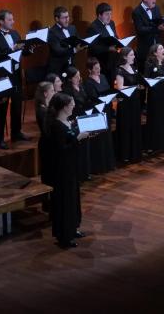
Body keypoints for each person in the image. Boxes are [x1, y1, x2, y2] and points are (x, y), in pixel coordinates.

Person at [45, 92, 89, 248]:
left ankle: (73, 228)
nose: (74, 106)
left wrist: (81, 134)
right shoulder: (57, 126)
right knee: (65, 201)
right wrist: (78, 138)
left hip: (71, 167)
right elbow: (61, 149)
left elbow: (70, 139)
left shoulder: (67, 121)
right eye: (71, 104)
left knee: (73, 198)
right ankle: (64, 236)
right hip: (62, 170)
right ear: (64, 107)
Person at [0, 9, 31, 149]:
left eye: (13, 19)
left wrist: (29, 49)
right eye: (10, 19)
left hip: (16, 74)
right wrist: (13, 49)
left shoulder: (15, 33)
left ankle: (16, 132)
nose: (13, 22)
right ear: (1, 21)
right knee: (2, 107)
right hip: (4, 76)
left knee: (17, 104)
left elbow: (22, 52)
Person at [82, 57, 117, 173]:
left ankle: (108, 163)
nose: (99, 70)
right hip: (97, 112)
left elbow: (107, 90)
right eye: (96, 68)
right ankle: (98, 166)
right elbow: (92, 99)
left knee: (107, 137)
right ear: (89, 70)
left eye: (99, 67)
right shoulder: (88, 83)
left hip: (106, 109)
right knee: (99, 138)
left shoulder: (103, 77)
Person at [143, 44, 164, 152]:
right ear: (155, 53)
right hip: (155, 95)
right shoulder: (149, 63)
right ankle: (154, 144)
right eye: (161, 49)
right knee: (155, 117)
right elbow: (146, 77)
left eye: (163, 48)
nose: (163, 50)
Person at [61, 67, 92, 181]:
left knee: (85, 146)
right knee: (77, 145)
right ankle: (79, 173)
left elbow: (86, 99)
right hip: (74, 119)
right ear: (70, 79)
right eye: (76, 77)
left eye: (79, 76)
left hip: (84, 117)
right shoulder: (67, 90)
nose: (79, 78)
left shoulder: (81, 86)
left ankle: (86, 171)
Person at [113, 47, 143, 163]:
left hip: (135, 100)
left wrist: (140, 85)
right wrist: (134, 87)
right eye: (131, 55)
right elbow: (120, 87)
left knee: (135, 124)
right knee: (126, 125)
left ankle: (134, 153)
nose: (134, 57)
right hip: (125, 102)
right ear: (125, 57)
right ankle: (125, 154)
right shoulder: (120, 70)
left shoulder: (134, 68)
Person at [132, 0, 164, 73]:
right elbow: (140, 29)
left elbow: (159, 22)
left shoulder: (156, 8)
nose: (155, 0)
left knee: (159, 72)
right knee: (146, 74)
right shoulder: (137, 12)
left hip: (157, 47)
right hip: (145, 48)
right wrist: (157, 28)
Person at [87, 2, 120, 81]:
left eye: (110, 14)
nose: (109, 17)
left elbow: (115, 37)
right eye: (107, 14)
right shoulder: (93, 27)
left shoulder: (111, 23)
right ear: (99, 15)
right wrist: (108, 48)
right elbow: (93, 48)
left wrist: (120, 42)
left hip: (113, 60)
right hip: (102, 63)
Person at [46, 6, 82, 76]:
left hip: (71, 66)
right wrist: (74, 50)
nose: (67, 20)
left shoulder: (72, 28)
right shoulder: (51, 32)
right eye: (64, 18)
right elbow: (58, 50)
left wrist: (83, 44)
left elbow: (78, 41)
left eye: (68, 17)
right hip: (58, 68)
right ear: (57, 19)